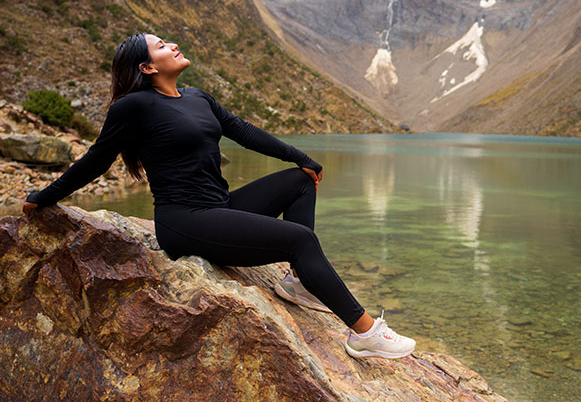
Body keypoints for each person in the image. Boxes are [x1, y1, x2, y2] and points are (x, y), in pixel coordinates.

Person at [22, 32, 415, 359]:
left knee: (298, 182)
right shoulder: (133, 106)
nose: (172, 45)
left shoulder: (198, 97)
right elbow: (97, 159)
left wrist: (302, 158)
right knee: (300, 239)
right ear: (147, 67)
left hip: (220, 206)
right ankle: (364, 333)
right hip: (185, 221)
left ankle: (298, 283)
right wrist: (44, 196)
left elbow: (243, 131)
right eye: (161, 46)